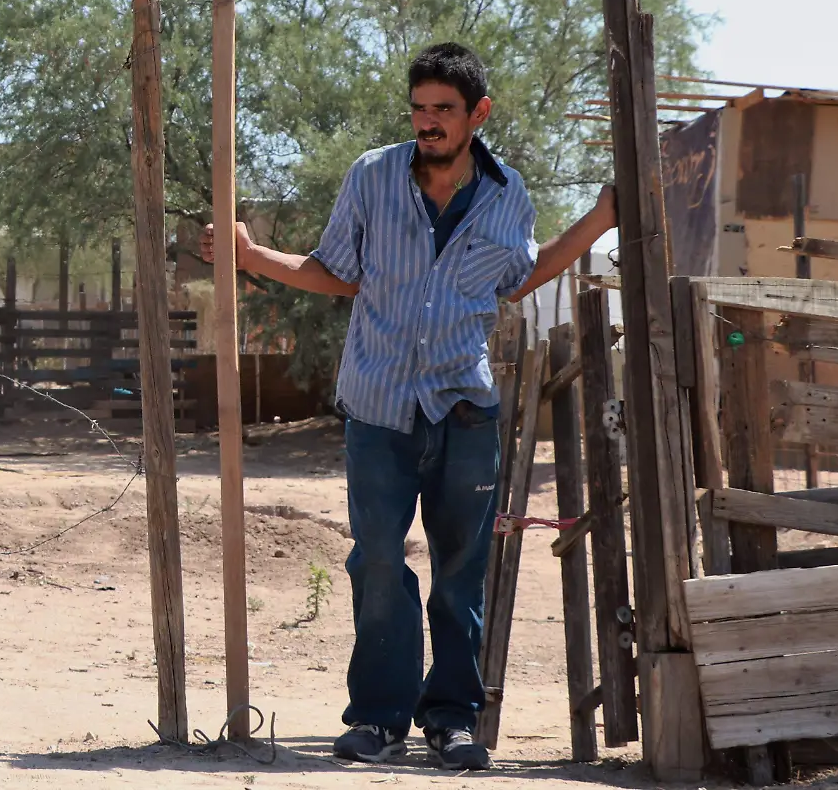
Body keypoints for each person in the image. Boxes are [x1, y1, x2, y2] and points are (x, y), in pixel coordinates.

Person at [201, 42, 616, 771]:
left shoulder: (506, 193)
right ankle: (379, 719)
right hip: (380, 405)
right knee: (380, 562)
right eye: (420, 108)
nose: (428, 123)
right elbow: (336, 272)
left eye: (443, 111)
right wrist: (253, 256)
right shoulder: (372, 175)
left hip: (464, 408)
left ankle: (452, 721)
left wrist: (599, 219)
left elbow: (521, 277)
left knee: (461, 572)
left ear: (477, 114)